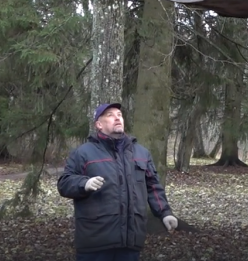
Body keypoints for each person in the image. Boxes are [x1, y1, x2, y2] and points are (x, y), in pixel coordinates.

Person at [58, 103, 178, 261]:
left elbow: (153, 187)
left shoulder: (141, 153)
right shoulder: (83, 153)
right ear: (99, 125)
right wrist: (83, 184)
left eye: (119, 115)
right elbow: (64, 183)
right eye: (110, 115)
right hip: (95, 242)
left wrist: (165, 213)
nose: (117, 118)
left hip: (130, 242)